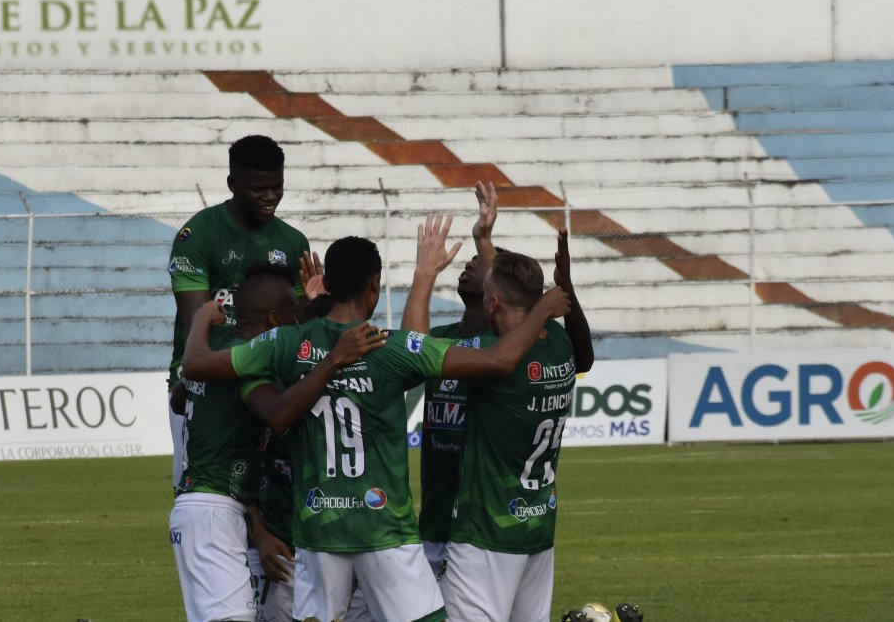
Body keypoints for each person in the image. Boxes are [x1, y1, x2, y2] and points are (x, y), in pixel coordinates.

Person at [184, 221, 571, 622]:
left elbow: (195, 365)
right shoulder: (392, 347)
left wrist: (199, 322)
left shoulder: (285, 342)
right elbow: (498, 360)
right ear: (375, 285)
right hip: (385, 527)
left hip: (320, 529)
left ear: (328, 283)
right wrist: (542, 307)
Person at [406, 222, 595, 622]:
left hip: (485, 534)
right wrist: (563, 289)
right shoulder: (559, 343)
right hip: (537, 528)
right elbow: (585, 356)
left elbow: (413, 350)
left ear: (491, 304)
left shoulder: (491, 356)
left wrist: (424, 274)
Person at [171, 262, 380, 622]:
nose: (299, 330)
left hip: (215, 506)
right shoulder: (249, 365)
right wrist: (334, 358)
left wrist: (204, 322)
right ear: (273, 320)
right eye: (293, 319)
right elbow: (279, 414)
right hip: (211, 510)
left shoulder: (217, 352)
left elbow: (179, 397)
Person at [167, 134, 311, 486]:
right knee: (201, 488)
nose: (270, 197)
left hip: (265, 383)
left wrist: (313, 301)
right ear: (232, 183)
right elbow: (196, 320)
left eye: (277, 187)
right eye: (258, 188)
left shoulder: (293, 242)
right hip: (205, 383)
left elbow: (298, 321)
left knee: (269, 490)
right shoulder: (198, 234)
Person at [418, 181, 500, 580]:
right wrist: (426, 275)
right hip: (431, 520)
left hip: (479, 528)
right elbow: (410, 348)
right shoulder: (443, 337)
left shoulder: (502, 347)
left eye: (480, 263)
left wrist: (485, 239)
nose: (470, 263)